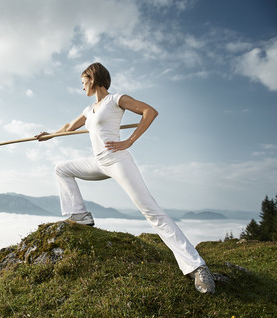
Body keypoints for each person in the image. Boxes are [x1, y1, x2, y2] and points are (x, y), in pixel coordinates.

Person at [37, 62, 215, 294]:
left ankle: (197, 267)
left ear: (93, 78)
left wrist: (129, 141)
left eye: (83, 82)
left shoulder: (116, 99)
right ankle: (80, 215)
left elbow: (150, 112)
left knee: (151, 211)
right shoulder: (89, 110)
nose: (82, 88)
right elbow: (69, 126)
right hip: (99, 162)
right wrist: (49, 136)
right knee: (62, 168)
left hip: (118, 160)